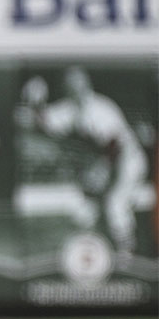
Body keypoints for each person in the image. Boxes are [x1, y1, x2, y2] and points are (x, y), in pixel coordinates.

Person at [20, 66, 148, 258]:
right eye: (71, 84)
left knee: (115, 204)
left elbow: (115, 145)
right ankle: (92, 256)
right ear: (66, 87)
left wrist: (102, 170)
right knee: (84, 214)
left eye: (79, 83)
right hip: (102, 164)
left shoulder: (101, 108)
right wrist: (35, 102)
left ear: (87, 84)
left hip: (128, 162)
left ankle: (127, 255)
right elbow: (42, 121)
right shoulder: (69, 108)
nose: (76, 87)